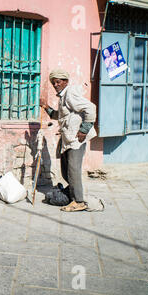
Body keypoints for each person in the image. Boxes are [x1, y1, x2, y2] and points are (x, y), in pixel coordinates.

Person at [40, 69, 97, 212]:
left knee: (73, 170)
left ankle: (79, 201)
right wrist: (46, 107)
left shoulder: (70, 94)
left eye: (58, 82)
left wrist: (84, 130)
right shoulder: (63, 97)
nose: (56, 84)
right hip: (67, 139)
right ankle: (72, 195)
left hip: (76, 139)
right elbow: (59, 115)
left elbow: (91, 108)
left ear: (66, 82)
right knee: (65, 171)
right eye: (54, 83)